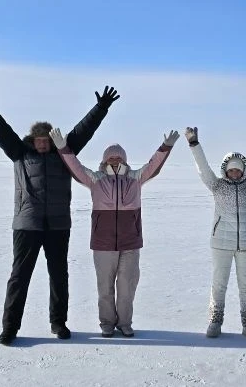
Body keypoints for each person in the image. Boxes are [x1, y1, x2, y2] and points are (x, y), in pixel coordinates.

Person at [0, 79, 119, 345]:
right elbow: (0, 130)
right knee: (19, 276)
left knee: (59, 275)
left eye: (47, 141)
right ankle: (10, 327)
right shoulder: (19, 152)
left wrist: (100, 107)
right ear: (32, 140)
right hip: (27, 224)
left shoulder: (63, 153)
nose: (43, 144)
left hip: (58, 225)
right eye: (39, 141)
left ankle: (58, 322)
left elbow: (83, 131)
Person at [49, 127, 179, 338]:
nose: (115, 160)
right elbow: (76, 167)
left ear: (125, 160)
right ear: (104, 160)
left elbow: (153, 166)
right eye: (111, 157)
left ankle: (125, 323)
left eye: (119, 157)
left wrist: (166, 147)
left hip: (130, 242)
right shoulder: (96, 179)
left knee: (127, 287)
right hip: (103, 243)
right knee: (105, 288)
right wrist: (63, 147)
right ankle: (107, 323)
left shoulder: (135, 179)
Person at [185, 124, 246, 339]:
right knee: (218, 284)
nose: (234, 172)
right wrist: (194, 144)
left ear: (243, 170)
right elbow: (203, 168)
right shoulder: (217, 186)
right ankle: (214, 322)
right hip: (221, 242)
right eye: (231, 169)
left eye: (238, 169)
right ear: (225, 170)